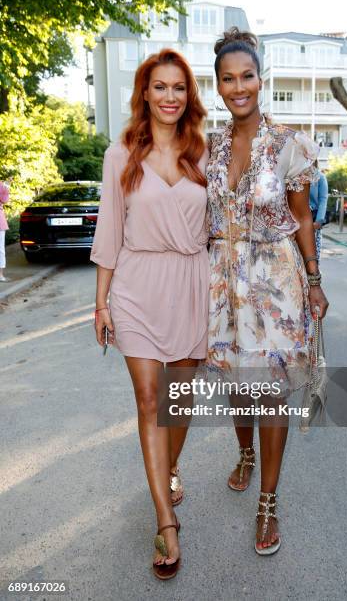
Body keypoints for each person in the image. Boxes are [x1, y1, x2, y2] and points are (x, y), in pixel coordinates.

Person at [206, 28, 329, 556]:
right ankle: (245, 452)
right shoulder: (209, 147)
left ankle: (268, 502)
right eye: (228, 79)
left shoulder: (289, 144)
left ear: (262, 78)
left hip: (276, 282)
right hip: (225, 284)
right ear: (217, 86)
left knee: (271, 391)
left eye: (247, 76)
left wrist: (316, 280)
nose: (239, 87)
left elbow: (303, 217)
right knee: (239, 386)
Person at [91, 49, 209, 580]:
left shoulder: (203, 151)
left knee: (177, 401)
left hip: (190, 283)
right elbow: (110, 231)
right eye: (159, 87)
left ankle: (171, 467)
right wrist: (101, 301)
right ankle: (166, 521)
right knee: (148, 400)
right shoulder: (121, 155)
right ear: (144, 92)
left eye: (178, 88)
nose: (169, 97)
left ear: (189, 96)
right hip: (137, 287)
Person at [309, 160, 328, 262]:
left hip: (314, 218)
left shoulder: (320, 177)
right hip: (298, 219)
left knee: (313, 255)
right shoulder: (295, 175)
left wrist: (319, 221)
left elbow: (323, 200)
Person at [0, 181, 10, 282]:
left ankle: (0, 274)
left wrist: (6, 188)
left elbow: (5, 200)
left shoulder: (1, 184)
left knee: (0, 250)